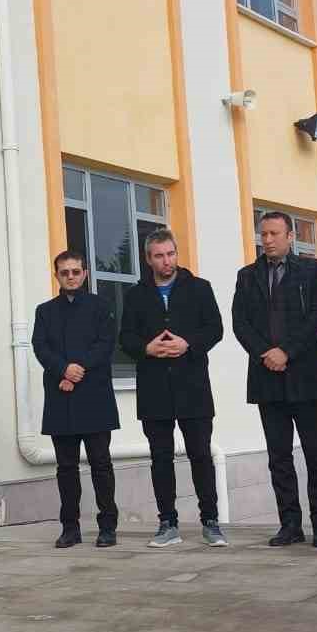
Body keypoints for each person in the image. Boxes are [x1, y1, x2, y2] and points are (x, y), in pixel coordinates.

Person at [232, 211, 317, 547]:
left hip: (304, 375)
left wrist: (286, 352)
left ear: (290, 236)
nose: (268, 240)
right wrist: (266, 353)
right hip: (266, 377)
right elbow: (240, 323)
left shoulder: (311, 269)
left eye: (275, 233)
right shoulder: (247, 276)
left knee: (315, 451)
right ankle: (289, 522)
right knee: (278, 455)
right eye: (263, 234)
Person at [119, 229, 227, 547]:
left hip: (192, 386)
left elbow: (215, 329)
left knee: (200, 455)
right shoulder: (136, 295)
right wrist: (147, 348)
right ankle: (167, 523)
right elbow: (125, 337)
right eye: (159, 256)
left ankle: (211, 521)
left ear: (177, 254)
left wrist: (188, 344)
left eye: (171, 254)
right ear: (148, 259)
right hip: (154, 388)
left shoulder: (199, 288)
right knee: (160, 457)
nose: (166, 261)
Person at [32, 250, 122, 548]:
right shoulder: (45, 311)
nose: (70, 276)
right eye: (64, 272)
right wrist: (63, 370)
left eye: (75, 271)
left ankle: (107, 527)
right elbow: (40, 347)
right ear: (56, 275)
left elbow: (106, 343)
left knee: (101, 464)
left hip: (93, 395)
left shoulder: (101, 306)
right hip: (61, 396)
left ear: (84, 274)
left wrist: (77, 370)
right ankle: (70, 528)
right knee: (66, 467)